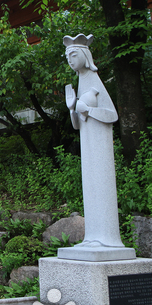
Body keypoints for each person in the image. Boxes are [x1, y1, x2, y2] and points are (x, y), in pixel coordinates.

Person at [63, 34, 125, 250]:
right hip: (87, 144)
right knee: (90, 189)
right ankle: (92, 236)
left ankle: (108, 238)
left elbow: (112, 115)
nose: (70, 60)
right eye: (67, 56)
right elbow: (77, 125)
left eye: (73, 55)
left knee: (102, 186)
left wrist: (87, 109)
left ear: (84, 55)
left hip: (100, 145)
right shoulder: (81, 82)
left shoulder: (94, 81)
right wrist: (73, 108)